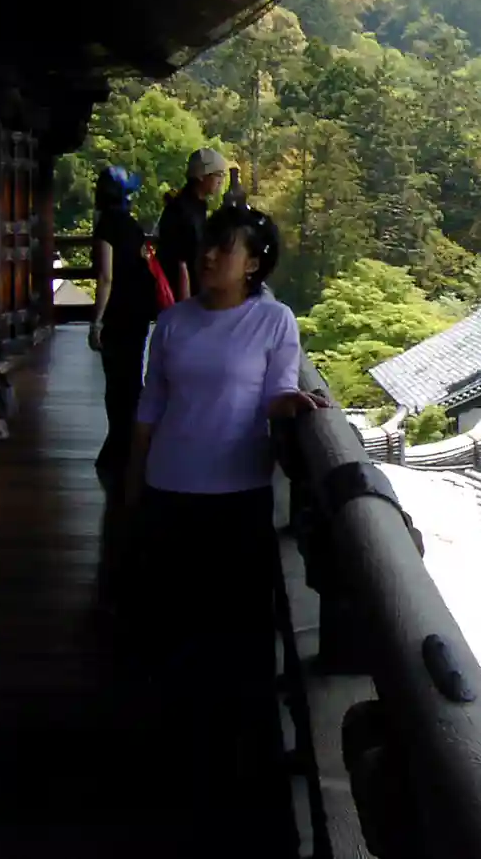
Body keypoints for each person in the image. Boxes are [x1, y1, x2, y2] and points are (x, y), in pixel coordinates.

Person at [123, 203, 323, 854]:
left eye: (226, 247)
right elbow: (150, 409)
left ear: (255, 262)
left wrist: (294, 406)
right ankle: (175, 757)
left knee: (234, 638)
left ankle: (231, 770)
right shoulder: (173, 322)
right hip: (169, 491)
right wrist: (132, 491)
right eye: (209, 243)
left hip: (237, 497)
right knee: (172, 630)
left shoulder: (273, 320)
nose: (210, 255)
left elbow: (277, 392)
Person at [89, 165, 156, 479]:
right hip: (139, 312)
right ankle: (132, 445)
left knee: (117, 385)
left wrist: (96, 322)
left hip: (117, 315)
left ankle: (120, 446)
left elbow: (106, 277)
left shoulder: (106, 227)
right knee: (131, 380)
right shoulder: (133, 226)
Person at [155, 147, 226, 302]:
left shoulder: (198, 207)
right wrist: (185, 307)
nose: (221, 180)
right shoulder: (181, 210)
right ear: (201, 176)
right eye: (218, 174)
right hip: (179, 296)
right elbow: (180, 263)